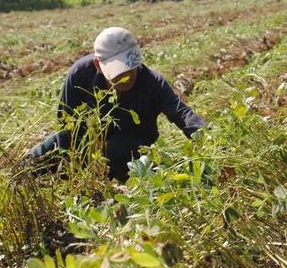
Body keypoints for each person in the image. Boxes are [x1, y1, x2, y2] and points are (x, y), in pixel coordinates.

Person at [25, 26, 205, 181]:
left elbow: (181, 113)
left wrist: (207, 138)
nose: (127, 76)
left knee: (117, 149)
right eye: (118, 72)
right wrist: (73, 167)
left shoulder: (152, 82)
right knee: (43, 153)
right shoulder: (80, 75)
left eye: (131, 68)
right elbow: (66, 124)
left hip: (129, 145)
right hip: (85, 142)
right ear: (98, 65)